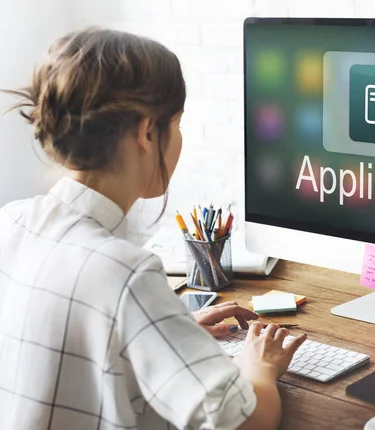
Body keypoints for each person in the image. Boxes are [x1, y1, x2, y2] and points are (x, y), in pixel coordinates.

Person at [0, 27, 306, 430]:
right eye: (176, 124)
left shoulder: (11, 221)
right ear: (147, 132)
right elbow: (246, 421)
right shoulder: (126, 273)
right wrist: (259, 366)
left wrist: (165, 329)